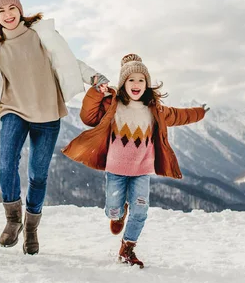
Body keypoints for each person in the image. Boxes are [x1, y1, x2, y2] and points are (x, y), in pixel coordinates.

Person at [0, 0, 108, 255]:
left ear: (19, 9)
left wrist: (95, 77)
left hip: (48, 110)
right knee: (6, 162)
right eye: (1, 12)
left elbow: (69, 62)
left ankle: (31, 228)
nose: (7, 15)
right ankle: (13, 220)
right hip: (13, 110)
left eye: (11, 9)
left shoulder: (41, 34)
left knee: (37, 175)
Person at [62, 54, 209, 268]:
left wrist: (199, 112)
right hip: (115, 169)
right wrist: (95, 93)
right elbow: (88, 117)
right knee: (112, 209)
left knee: (140, 211)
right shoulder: (113, 106)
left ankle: (127, 248)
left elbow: (179, 115)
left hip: (141, 170)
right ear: (123, 84)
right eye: (131, 79)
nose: (136, 84)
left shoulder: (154, 110)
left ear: (147, 85)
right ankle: (118, 212)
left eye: (141, 80)